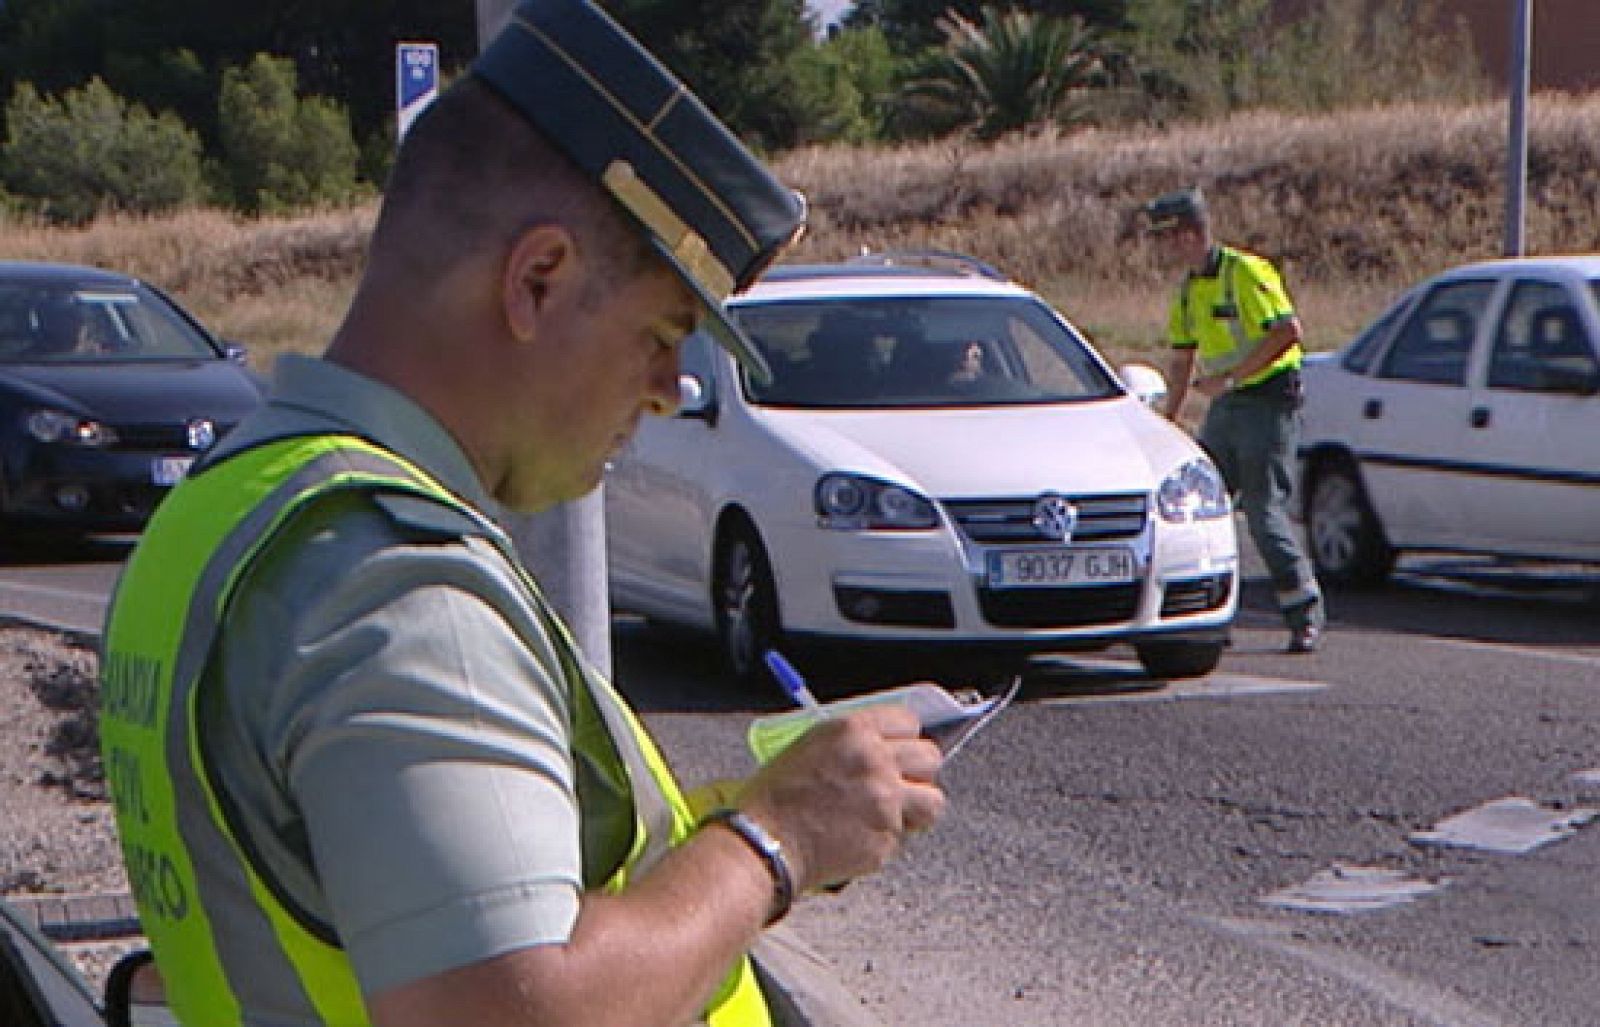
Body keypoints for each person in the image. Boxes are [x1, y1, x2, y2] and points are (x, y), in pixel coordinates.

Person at [97, 2, 947, 1024]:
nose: (673, 388)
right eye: (661, 333)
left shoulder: (237, 503)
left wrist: (728, 831)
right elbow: (514, 1006)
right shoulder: (399, 586)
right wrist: (779, 839)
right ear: (538, 280)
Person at [1144, 186, 1325, 654]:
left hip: (1268, 401)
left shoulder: (1244, 272)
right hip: (1229, 404)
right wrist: (1169, 421)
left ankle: (1304, 611)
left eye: (1166, 238)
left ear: (1188, 235)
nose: (1161, 249)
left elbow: (1287, 332)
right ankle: (1213, 612)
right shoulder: (1188, 291)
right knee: (1205, 504)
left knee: (1263, 513)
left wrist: (1231, 378)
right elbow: (1183, 359)